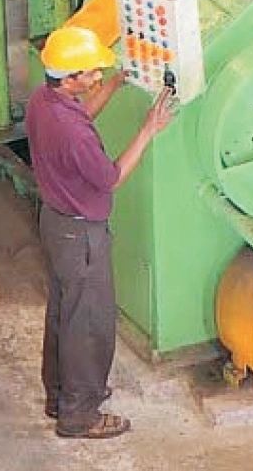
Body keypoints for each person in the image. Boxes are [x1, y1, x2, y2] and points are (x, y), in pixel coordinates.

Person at [26, 25, 174, 439]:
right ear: (70, 78)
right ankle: (80, 416)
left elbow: (84, 112)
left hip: (55, 225)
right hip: (81, 237)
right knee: (88, 325)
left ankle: (60, 396)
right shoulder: (73, 134)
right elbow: (109, 178)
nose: (94, 78)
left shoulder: (45, 101)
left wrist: (116, 81)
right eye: (90, 73)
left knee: (63, 315)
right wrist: (149, 128)